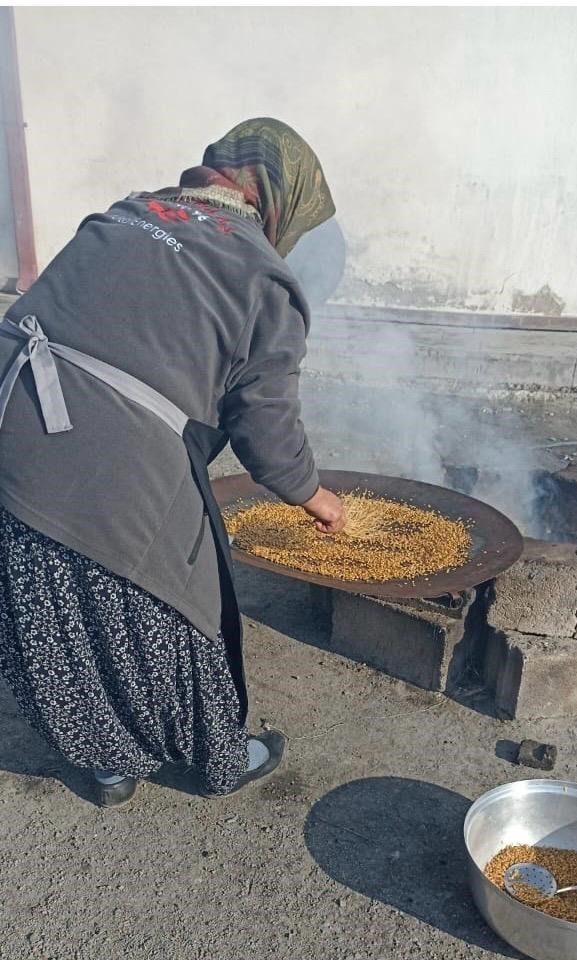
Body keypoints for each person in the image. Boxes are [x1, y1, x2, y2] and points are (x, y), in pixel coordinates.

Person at [0, 117, 346, 808]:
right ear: (283, 200)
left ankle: (107, 764)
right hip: (106, 449)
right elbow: (265, 426)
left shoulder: (128, 213)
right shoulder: (261, 276)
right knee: (179, 597)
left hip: (13, 427)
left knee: (58, 604)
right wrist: (315, 495)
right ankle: (220, 756)